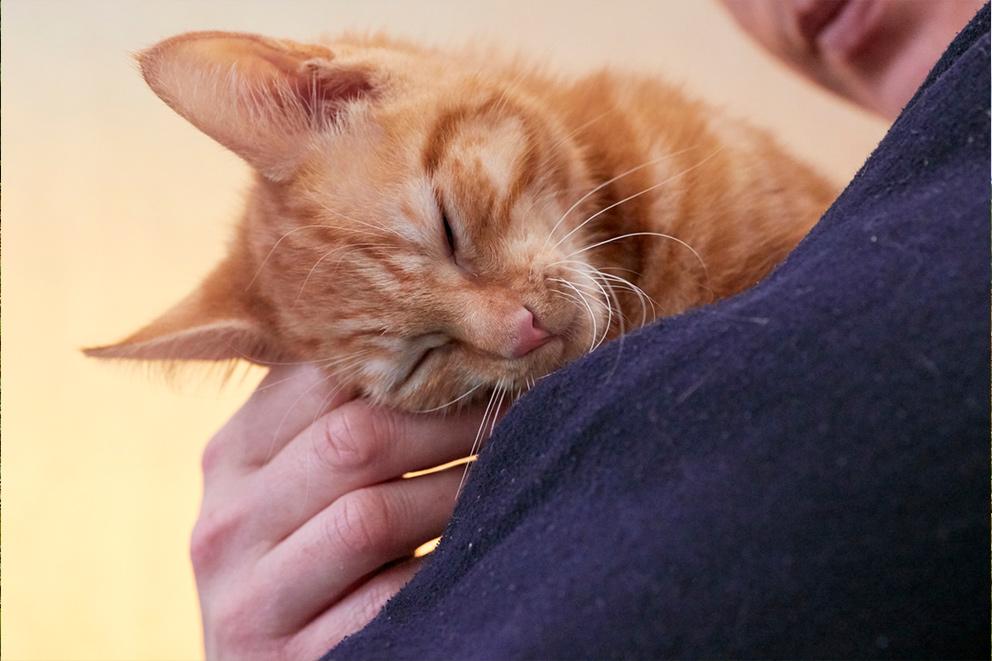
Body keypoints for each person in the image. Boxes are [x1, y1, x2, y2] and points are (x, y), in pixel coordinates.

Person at [190, 3, 990, 658]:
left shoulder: (706, 177)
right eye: (425, 355)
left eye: (451, 228)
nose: (510, 328)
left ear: (349, 86)